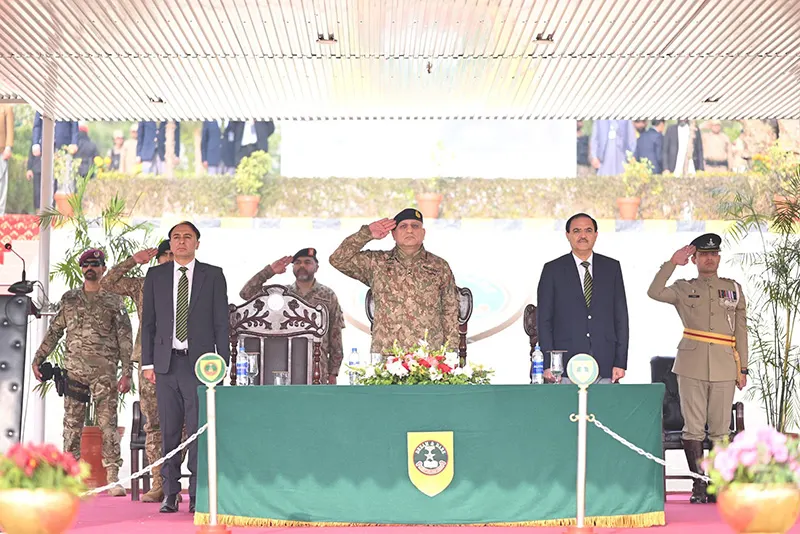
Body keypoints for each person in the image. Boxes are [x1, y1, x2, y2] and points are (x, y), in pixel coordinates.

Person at [647, 233, 748, 504]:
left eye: (714, 254)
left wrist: (743, 368)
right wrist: (672, 263)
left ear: (719, 257)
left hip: (725, 365)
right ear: (694, 259)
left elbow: (741, 330)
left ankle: (716, 484)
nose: (709, 259)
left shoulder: (733, 288)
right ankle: (699, 484)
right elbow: (654, 291)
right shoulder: (683, 287)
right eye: (703, 254)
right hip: (691, 365)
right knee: (693, 429)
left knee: (720, 430)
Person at [141, 221, 230, 513]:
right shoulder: (156, 275)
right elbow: (148, 323)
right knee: (168, 430)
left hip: (200, 366)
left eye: (187, 237)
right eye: (176, 237)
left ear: (197, 243)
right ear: (170, 243)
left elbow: (221, 323)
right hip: (166, 365)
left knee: (197, 430)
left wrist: (222, 363)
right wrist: (148, 363)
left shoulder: (212, 275)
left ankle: (197, 494)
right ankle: (170, 493)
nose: (181, 242)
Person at [32, 248, 133, 497]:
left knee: (108, 425)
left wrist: (127, 372)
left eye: (95, 265)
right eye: (86, 265)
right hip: (74, 373)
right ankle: (71, 477)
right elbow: (55, 332)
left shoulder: (114, 301)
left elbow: (125, 339)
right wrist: (38, 358)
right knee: (72, 426)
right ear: (82, 269)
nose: (90, 269)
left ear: (103, 269)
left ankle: (112, 478)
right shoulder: (69, 299)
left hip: (104, 374)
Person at [101, 240, 182, 503]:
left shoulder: (190, 282)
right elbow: (107, 283)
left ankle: (174, 479)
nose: (169, 259)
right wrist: (133, 261)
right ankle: (159, 483)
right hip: (151, 363)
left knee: (183, 423)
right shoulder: (143, 284)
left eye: (173, 254)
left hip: (183, 361)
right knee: (154, 423)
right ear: (157, 259)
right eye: (165, 255)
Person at [330, 208, 459, 354]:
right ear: (393, 234)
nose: (409, 230)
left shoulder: (439, 266)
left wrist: (450, 354)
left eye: (415, 226)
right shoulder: (376, 263)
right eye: (403, 226)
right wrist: (366, 233)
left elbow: (450, 309)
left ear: (423, 233)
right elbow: (338, 259)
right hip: (387, 353)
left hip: (427, 355)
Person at [536, 213, 629, 384]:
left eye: (588, 230)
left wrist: (620, 361)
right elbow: (544, 320)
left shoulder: (612, 268)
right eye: (577, 231)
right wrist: (549, 363)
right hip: (564, 366)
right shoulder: (553, 270)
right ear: (567, 235)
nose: (583, 235)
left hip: (605, 362)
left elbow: (621, 317)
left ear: (596, 234)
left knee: (604, 403)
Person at [240, 248, 345, 384]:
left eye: (307, 262)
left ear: (317, 267)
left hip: (317, 369)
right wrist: (270, 271)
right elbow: (246, 293)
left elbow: (335, 335)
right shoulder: (281, 294)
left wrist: (333, 373)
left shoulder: (328, 295)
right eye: (297, 263)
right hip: (284, 366)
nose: (302, 266)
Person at [0, 104, 14, 215]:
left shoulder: (6, 107)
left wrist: (8, 147)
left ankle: (0, 212)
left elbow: (10, 129)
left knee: (1, 183)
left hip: (1, 151)